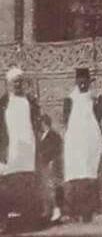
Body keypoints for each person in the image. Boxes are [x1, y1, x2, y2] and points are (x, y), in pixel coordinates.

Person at [0, 66, 41, 228]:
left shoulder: (29, 101)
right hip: (11, 149)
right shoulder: (3, 103)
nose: (17, 85)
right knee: (11, 182)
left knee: (27, 182)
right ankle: (9, 219)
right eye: (14, 82)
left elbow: (36, 123)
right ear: (8, 84)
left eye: (19, 82)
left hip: (28, 148)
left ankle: (28, 219)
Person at [62, 67, 102, 223]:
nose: (83, 84)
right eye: (80, 81)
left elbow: (99, 117)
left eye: (85, 81)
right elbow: (66, 121)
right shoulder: (69, 100)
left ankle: (88, 211)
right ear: (76, 81)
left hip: (90, 141)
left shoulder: (94, 99)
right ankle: (73, 211)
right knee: (75, 176)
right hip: (75, 142)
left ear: (89, 81)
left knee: (89, 175)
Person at [38, 115, 63, 224]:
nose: (40, 125)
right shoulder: (42, 135)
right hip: (44, 165)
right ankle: (49, 211)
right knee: (48, 188)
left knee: (53, 187)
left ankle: (57, 210)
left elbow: (57, 149)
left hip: (51, 164)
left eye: (41, 123)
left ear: (45, 123)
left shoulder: (54, 135)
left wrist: (52, 160)